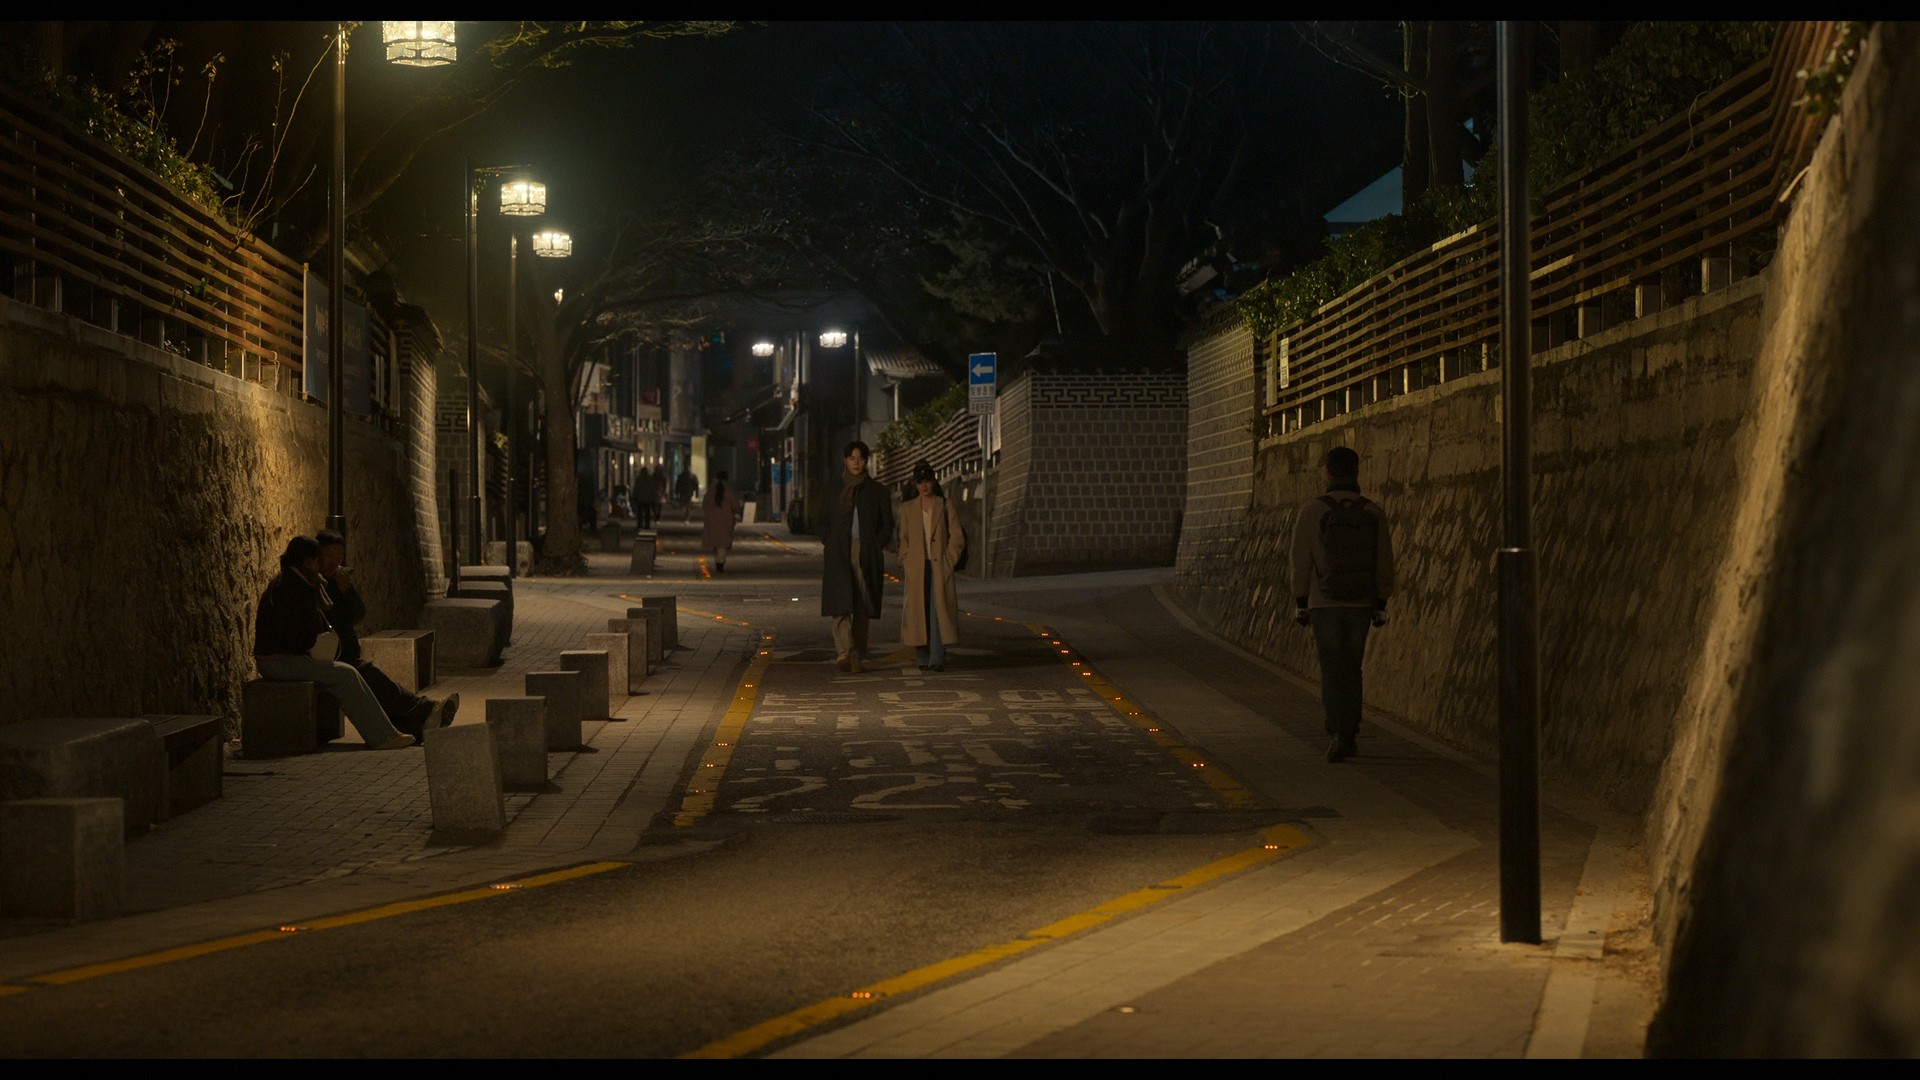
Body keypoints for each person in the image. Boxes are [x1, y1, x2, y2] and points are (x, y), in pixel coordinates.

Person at [253, 536, 415, 751]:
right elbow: (297, 632)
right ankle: (383, 736)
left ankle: (385, 732)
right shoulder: (292, 587)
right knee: (345, 674)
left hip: (284, 658)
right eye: (319, 559)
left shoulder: (294, 582)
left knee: (348, 672)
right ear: (309, 561)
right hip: (279, 661)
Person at [1289, 446, 1395, 763]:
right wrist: (1380, 602)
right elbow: (1384, 562)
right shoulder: (1373, 512)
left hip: (1324, 603)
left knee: (1332, 667)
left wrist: (1300, 601)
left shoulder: (1311, 511)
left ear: (1328, 472)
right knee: (1352, 666)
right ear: (1357, 472)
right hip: (1361, 603)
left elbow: (1300, 562)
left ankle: (1337, 729)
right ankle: (1350, 729)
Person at [315, 529, 455, 739]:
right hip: (335, 658)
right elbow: (332, 618)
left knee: (374, 681)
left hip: (345, 655)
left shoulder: (336, 583)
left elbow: (357, 614)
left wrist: (346, 591)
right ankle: (424, 711)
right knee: (372, 679)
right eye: (328, 554)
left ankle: (417, 724)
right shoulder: (316, 585)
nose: (333, 561)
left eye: (338, 556)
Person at [821, 441, 894, 673]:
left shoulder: (876, 491)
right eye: (852, 458)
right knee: (840, 602)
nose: (856, 462)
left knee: (862, 602)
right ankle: (844, 651)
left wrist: (875, 545)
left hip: (865, 550)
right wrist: (830, 542)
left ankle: (857, 654)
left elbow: (887, 524)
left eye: (860, 458)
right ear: (845, 460)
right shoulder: (834, 489)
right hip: (839, 550)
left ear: (866, 461)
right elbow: (822, 520)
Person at [899, 461, 964, 672]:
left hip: (939, 565)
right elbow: (903, 539)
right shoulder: (908, 508)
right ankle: (922, 656)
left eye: (927, 481)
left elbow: (956, 536)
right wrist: (905, 561)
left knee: (938, 611)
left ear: (933, 481)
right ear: (915, 484)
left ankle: (937, 657)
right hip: (917, 566)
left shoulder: (944, 505)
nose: (924, 486)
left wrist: (949, 560)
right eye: (920, 482)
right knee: (919, 611)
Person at [702, 470, 742, 573]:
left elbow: (704, 504)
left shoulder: (711, 491)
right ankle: (720, 561)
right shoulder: (728, 491)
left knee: (716, 542)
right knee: (723, 543)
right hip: (726, 520)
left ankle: (718, 560)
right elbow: (735, 505)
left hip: (712, 520)